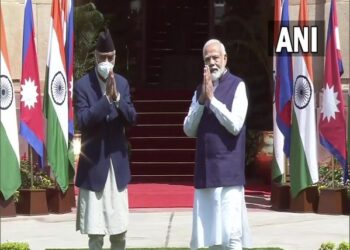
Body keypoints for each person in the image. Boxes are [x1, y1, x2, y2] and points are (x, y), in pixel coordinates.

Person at [183, 39, 251, 250]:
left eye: (215, 58)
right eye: (207, 59)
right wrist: (203, 101)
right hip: (206, 173)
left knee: (231, 236)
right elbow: (188, 129)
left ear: (225, 59)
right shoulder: (199, 91)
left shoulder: (238, 85)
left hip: (229, 174)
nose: (212, 62)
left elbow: (235, 125)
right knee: (211, 237)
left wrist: (213, 100)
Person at [74, 29, 137, 250]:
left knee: (119, 233)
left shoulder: (122, 83)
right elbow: (83, 120)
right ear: (95, 58)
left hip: (116, 168)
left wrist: (117, 98)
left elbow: (132, 117)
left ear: (115, 56)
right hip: (93, 168)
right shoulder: (83, 85)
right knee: (96, 235)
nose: (106, 61)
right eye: (103, 57)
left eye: (110, 57)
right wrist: (105, 100)